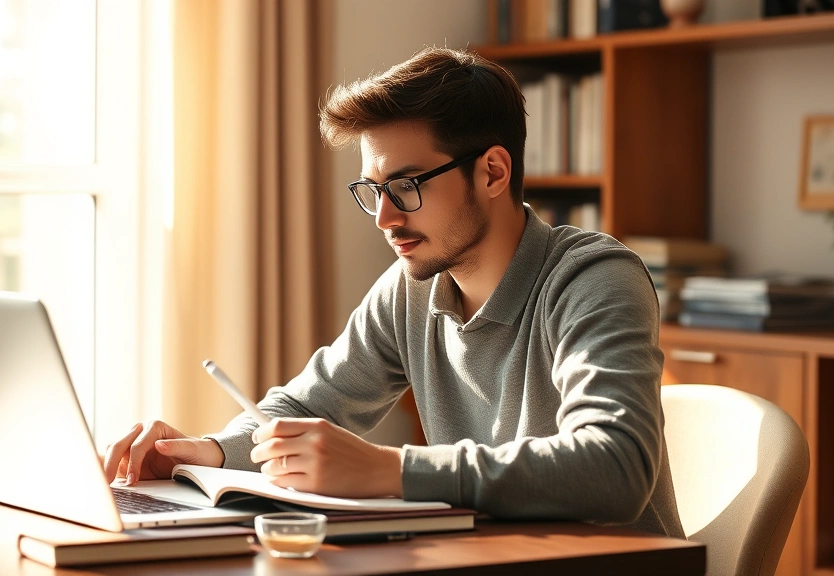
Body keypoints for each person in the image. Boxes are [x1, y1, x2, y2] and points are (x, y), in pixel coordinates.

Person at [104, 47, 684, 538]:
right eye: (372, 189)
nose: (383, 218)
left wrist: (391, 470)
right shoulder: (413, 289)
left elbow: (614, 466)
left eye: (405, 186)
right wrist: (209, 452)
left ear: (493, 172)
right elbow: (304, 407)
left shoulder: (595, 279)